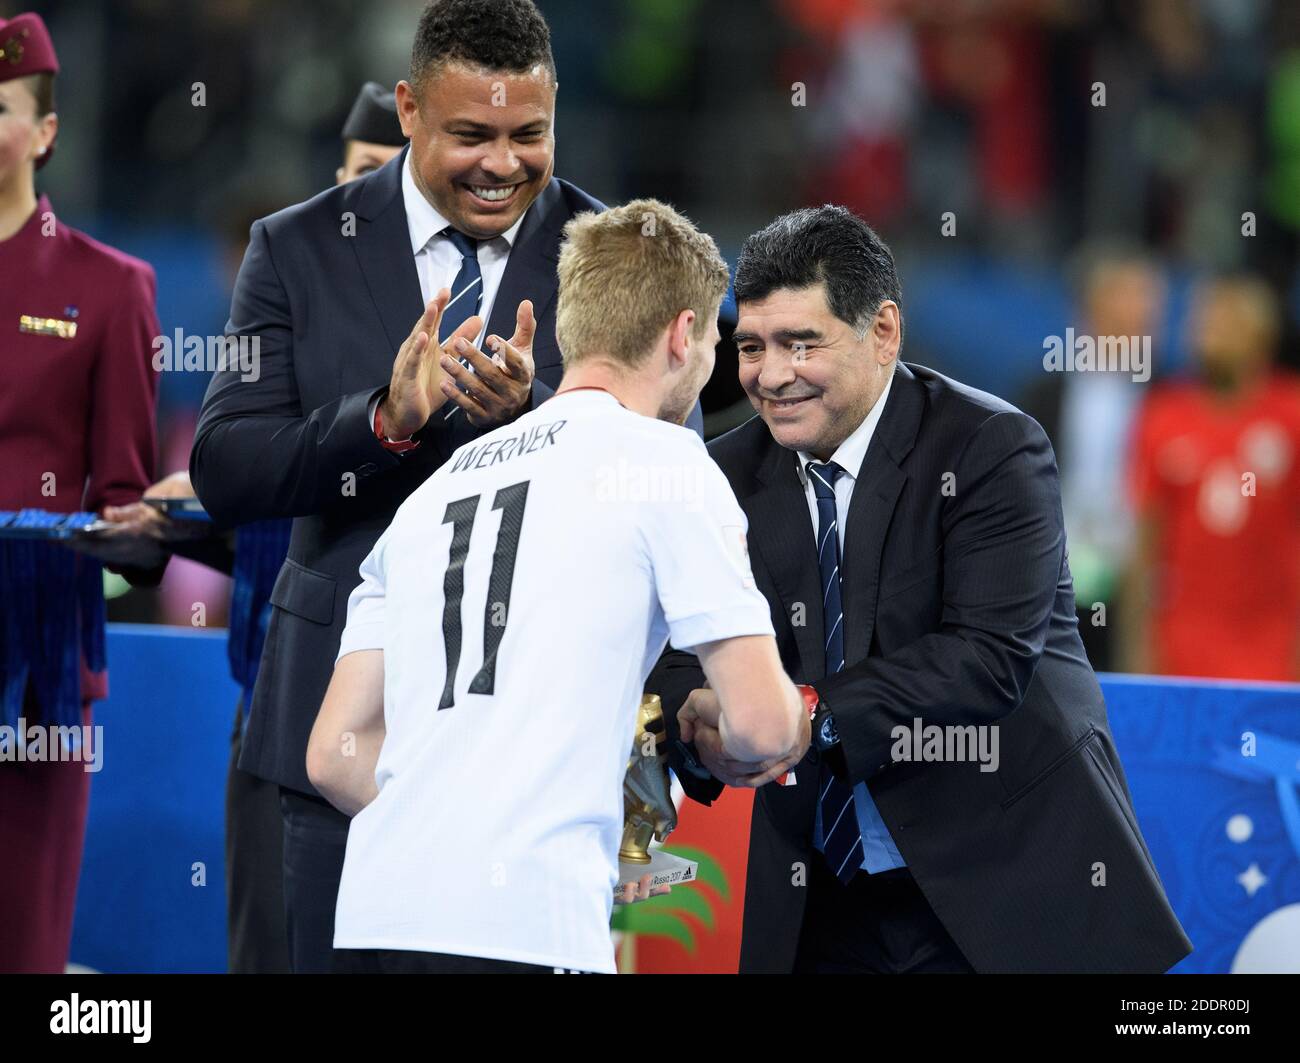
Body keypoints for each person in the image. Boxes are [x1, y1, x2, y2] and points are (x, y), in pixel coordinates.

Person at [190, 0, 711, 974]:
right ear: (408, 109)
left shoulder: (617, 253)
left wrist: (540, 413)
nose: (502, 164)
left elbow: (670, 473)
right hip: (333, 735)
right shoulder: (296, 247)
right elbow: (228, 467)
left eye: (529, 135)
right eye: (471, 133)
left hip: (535, 761)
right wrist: (382, 422)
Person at [651, 205, 1193, 974]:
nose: (771, 375)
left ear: (883, 332)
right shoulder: (721, 474)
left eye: (801, 343)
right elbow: (677, 654)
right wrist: (698, 724)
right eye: (752, 346)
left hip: (1000, 885)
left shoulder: (990, 447)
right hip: (819, 898)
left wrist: (807, 716)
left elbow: (986, 657)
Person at [307, 199, 802, 975]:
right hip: (529, 926)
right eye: (714, 340)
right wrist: (728, 724)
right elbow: (765, 728)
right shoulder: (667, 462)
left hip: (377, 918)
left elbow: (334, 758)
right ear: (682, 334)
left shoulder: (428, 497)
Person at [105, 80, 410, 973]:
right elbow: (269, 510)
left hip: (411, 704)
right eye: (358, 172)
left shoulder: (457, 349)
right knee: (269, 946)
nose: (373, 194)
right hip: (277, 687)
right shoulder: (293, 313)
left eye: (391, 174)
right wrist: (175, 525)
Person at [0, 12, 161, 973]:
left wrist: (86, 545)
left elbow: (125, 504)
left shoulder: (110, 289)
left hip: (37, 659)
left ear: (48, 133)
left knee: (23, 935)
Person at [1126, 275, 1300, 682]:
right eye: (1201, 320)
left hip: (1273, 647)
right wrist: (1137, 651)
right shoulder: (1163, 416)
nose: (1207, 331)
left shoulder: (1290, 414)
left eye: (1225, 320)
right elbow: (1146, 542)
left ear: (1260, 334)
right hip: (1182, 648)